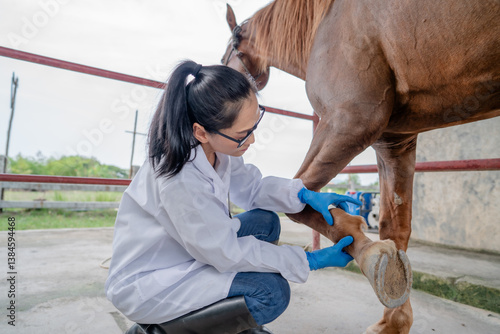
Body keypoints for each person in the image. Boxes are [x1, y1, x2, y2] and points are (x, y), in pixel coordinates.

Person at [105, 60, 362, 334]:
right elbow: (225, 252)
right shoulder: (178, 179)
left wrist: (303, 194)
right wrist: (307, 260)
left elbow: (253, 190)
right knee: (272, 293)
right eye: (243, 134)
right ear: (201, 131)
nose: (251, 141)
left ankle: (228, 315)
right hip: (154, 282)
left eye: (254, 125)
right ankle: (160, 330)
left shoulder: (215, 148)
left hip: (193, 252)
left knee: (266, 222)